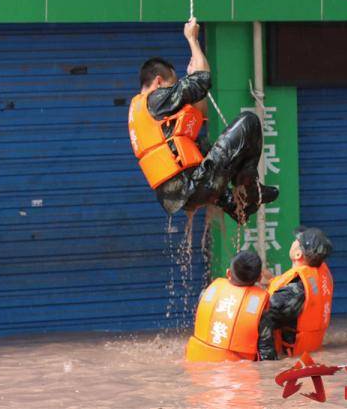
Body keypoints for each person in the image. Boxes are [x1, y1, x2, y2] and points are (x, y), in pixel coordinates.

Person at [128, 18, 279, 221]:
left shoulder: (143, 110)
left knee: (203, 145)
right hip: (195, 185)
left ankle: (234, 205)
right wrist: (192, 39)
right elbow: (203, 79)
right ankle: (250, 190)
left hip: (181, 196)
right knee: (249, 121)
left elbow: (201, 106)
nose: (175, 89)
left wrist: (194, 77)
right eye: (173, 84)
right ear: (158, 82)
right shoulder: (155, 99)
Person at [186, 251, 276, 362]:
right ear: (259, 278)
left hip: (198, 365)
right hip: (237, 372)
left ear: (228, 273)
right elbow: (267, 358)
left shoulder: (206, 294)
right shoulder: (260, 311)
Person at [265, 227, 334, 357]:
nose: (293, 242)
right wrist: (271, 281)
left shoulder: (294, 291)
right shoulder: (320, 273)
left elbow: (262, 317)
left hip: (289, 358)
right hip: (310, 352)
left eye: (296, 241)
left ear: (298, 254)